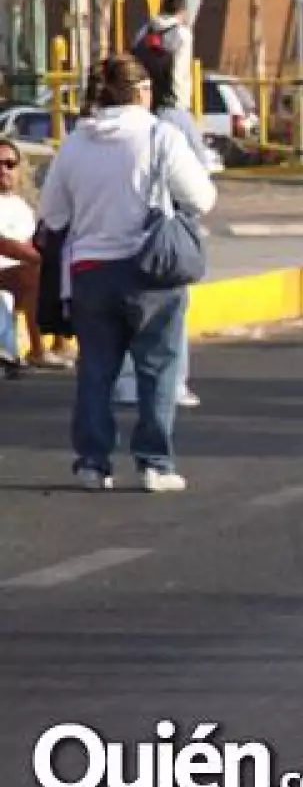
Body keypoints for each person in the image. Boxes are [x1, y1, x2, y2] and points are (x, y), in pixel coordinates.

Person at [36, 54, 218, 492]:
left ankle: (93, 464)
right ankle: (155, 463)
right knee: (158, 369)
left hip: (90, 275)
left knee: (96, 372)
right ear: (141, 93)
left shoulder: (74, 144)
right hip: (151, 273)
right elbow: (202, 198)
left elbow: (52, 215)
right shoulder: (161, 137)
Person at [126, 33, 210, 407]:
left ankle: (126, 382)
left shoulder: (105, 125)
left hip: (120, 227)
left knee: (124, 313)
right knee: (171, 311)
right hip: (169, 229)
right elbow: (200, 180)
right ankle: (171, 385)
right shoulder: (175, 121)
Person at [0, 137, 47, 373]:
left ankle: (53, 345)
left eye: (10, 164)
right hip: (9, 271)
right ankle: (38, 350)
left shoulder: (24, 208)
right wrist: (36, 258)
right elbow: (3, 245)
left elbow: (31, 243)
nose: (3, 170)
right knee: (34, 272)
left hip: (18, 275)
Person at [135, 0, 195, 113]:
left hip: (146, 97)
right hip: (170, 100)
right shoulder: (182, 34)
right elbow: (180, 70)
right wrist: (181, 102)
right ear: (182, 12)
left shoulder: (145, 31)